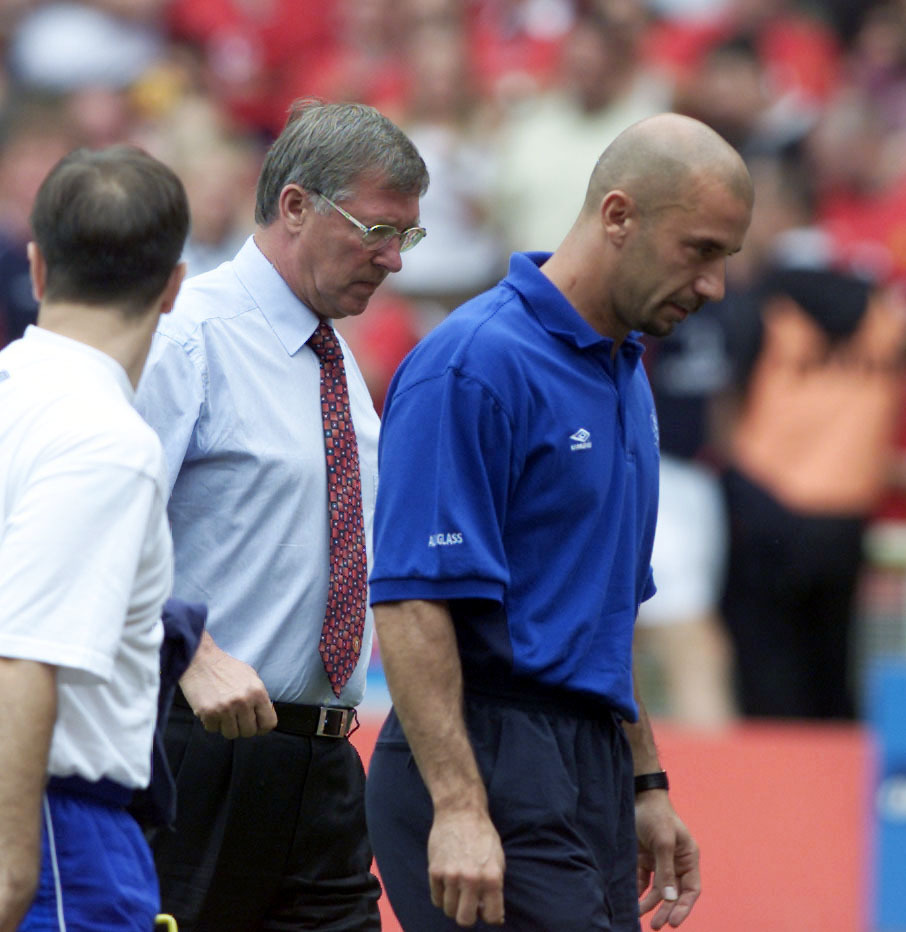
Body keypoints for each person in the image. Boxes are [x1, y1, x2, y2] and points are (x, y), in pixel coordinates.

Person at [365, 112, 754, 930]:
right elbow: (408, 602)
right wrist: (462, 807)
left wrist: (646, 782)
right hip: (484, 754)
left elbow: (607, 612)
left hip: (589, 763)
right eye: (702, 251)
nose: (714, 286)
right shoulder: (471, 363)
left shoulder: (626, 374)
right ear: (619, 216)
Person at [134, 97, 429, 931]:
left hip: (326, 765)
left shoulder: (336, 362)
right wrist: (186, 647)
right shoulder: (187, 335)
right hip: (194, 752)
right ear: (295, 206)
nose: (393, 259)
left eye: (406, 236)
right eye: (377, 229)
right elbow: (104, 517)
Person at [0, 144, 188, 931]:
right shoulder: (105, 440)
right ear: (175, 287)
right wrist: (12, 879)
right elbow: (23, 654)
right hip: (50, 834)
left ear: (37, 269)